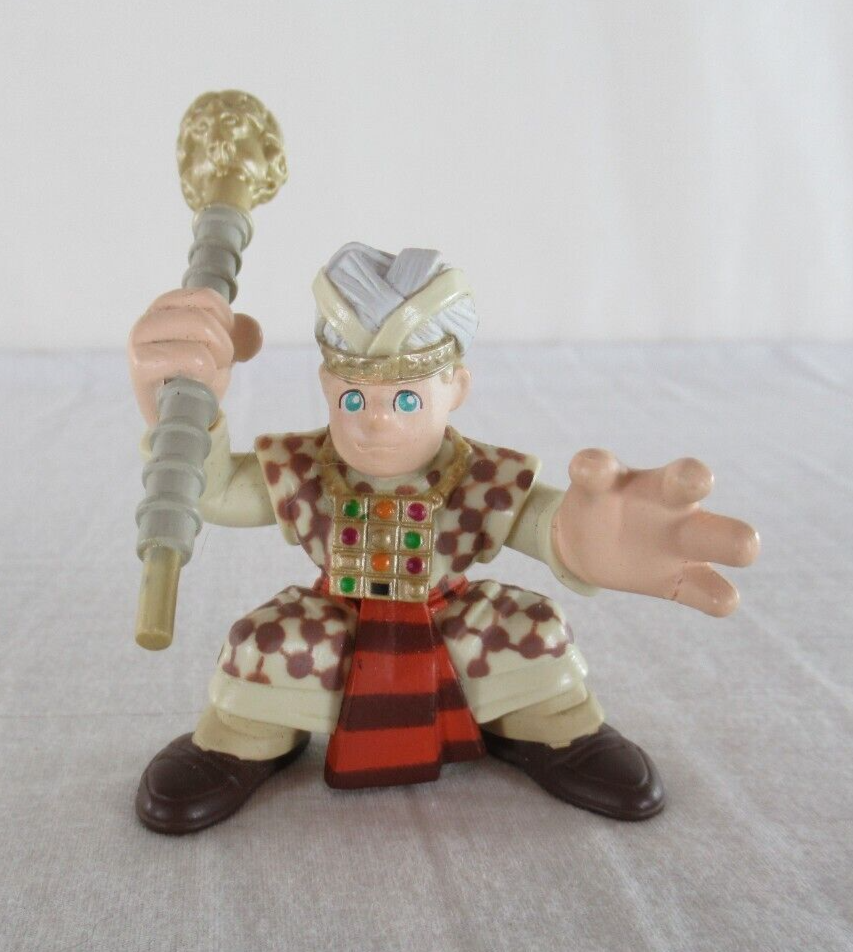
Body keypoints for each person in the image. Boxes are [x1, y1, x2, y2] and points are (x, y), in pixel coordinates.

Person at [128, 242, 759, 834]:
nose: (376, 421)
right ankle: (241, 735)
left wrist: (580, 540)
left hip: (452, 620)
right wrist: (179, 410)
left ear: (454, 388)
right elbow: (213, 490)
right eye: (355, 400)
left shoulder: (478, 474)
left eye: (405, 400)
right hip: (335, 623)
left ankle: (555, 723)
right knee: (261, 644)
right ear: (327, 387)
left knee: (537, 631)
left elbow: (544, 523)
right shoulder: (302, 468)